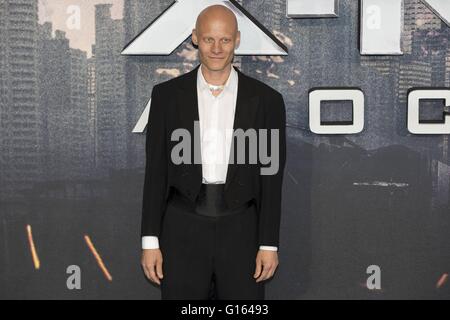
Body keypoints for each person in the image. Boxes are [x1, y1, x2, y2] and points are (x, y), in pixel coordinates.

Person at [140, 4, 286, 300]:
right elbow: (155, 173)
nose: (217, 48)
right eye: (209, 39)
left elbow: (272, 179)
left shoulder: (267, 101)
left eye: (225, 40)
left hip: (242, 229)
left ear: (237, 40)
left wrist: (268, 244)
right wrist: (150, 240)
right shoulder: (166, 97)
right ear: (195, 38)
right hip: (181, 227)